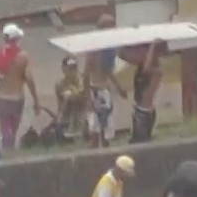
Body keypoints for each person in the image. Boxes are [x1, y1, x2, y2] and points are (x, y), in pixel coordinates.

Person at [0, 23, 41, 150]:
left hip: (2, 96)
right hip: (17, 98)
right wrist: (36, 100)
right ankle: (10, 149)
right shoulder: (23, 56)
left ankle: (6, 149)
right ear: (17, 39)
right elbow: (29, 79)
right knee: (13, 128)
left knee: (4, 127)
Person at [84, 15, 127, 148]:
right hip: (94, 90)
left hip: (105, 91)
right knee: (95, 127)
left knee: (107, 126)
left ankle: (105, 153)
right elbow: (85, 74)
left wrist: (119, 87)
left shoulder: (109, 49)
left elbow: (108, 71)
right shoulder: (94, 50)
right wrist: (87, 97)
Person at [119, 39, 166, 143]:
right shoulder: (142, 68)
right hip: (141, 110)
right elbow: (125, 56)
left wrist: (152, 47)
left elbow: (147, 69)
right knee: (138, 140)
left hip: (144, 112)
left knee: (141, 141)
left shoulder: (156, 71)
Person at [55, 55, 87, 136]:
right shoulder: (60, 84)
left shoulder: (82, 79)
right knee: (69, 98)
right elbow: (70, 98)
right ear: (64, 69)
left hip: (82, 113)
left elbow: (84, 95)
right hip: (66, 116)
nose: (72, 70)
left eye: (74, 67)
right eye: (70, 68)